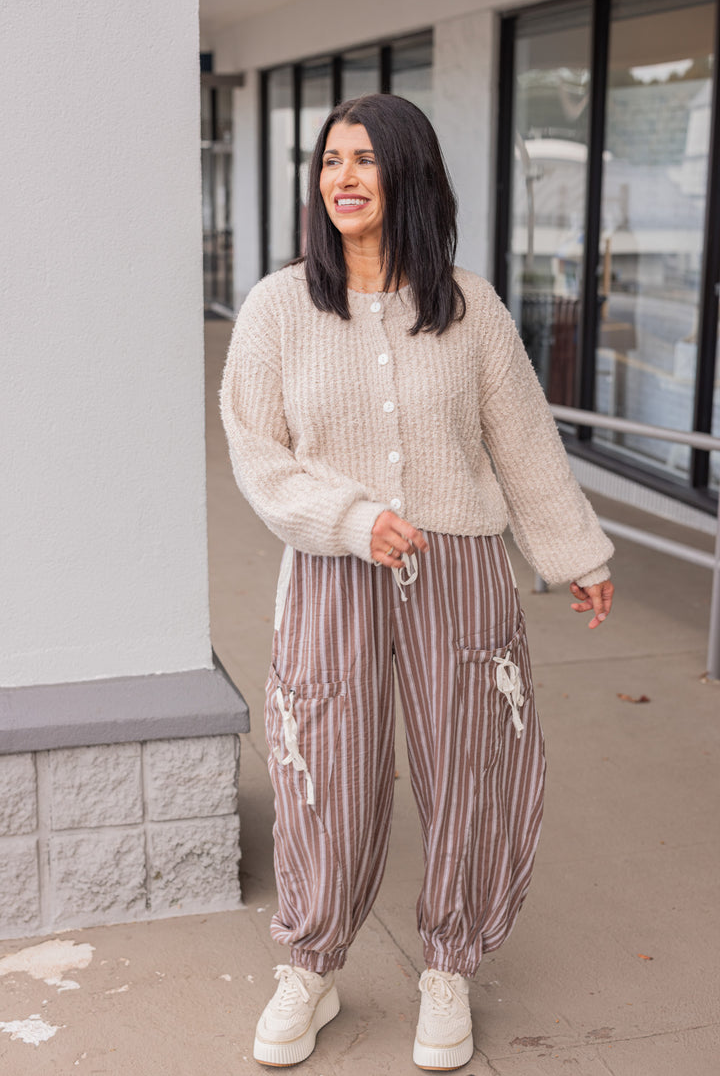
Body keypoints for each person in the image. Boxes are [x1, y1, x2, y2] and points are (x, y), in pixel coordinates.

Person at [220, 93, 614, 1072]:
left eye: (364, 159)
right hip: (330, 570)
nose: (343, 178)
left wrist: (576, 553)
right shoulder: (278, 307)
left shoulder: (470, 308)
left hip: (462, 567)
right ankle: (309, 965)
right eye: (329, 161)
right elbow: (257, 457)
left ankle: (448, 963)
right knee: (326, 770)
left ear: (409, 174)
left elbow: (522, 444)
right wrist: (352, 520)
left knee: (468, 763)